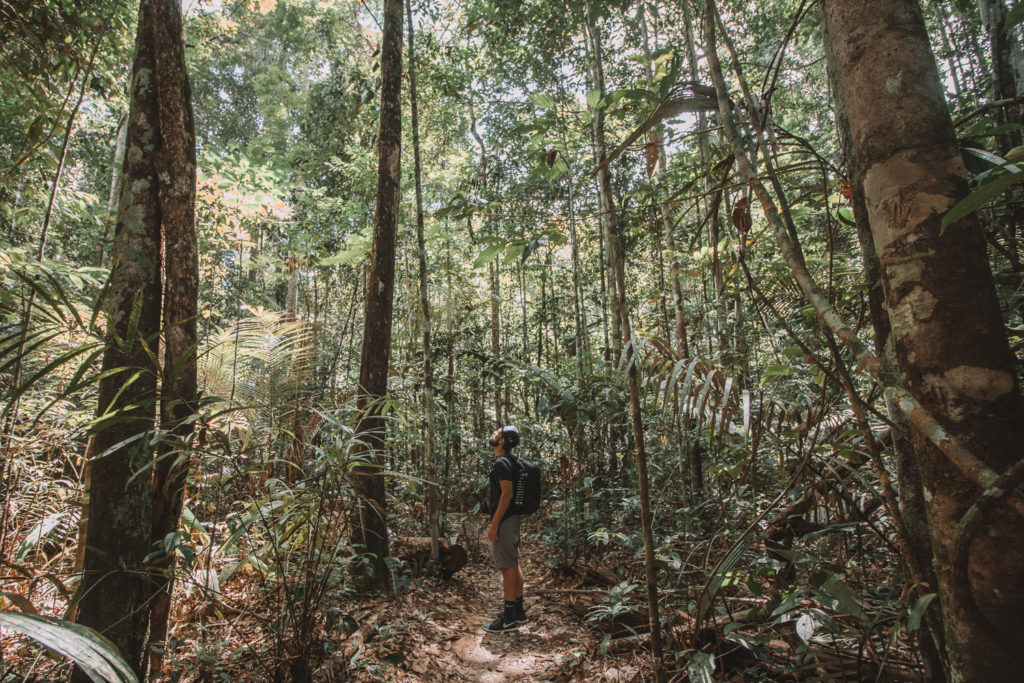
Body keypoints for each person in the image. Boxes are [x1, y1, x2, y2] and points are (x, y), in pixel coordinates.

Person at [484, 425, 527, 632]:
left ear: (502, 441)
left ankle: (509, 618)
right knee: (513, 562)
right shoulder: (510, 461)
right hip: (512, 519)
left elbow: (507, 493)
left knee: (507, 566)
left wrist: (495, 524)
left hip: (505, 520)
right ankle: (517, 611)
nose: (493, 433)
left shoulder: (502, 463)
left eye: (497, 433)